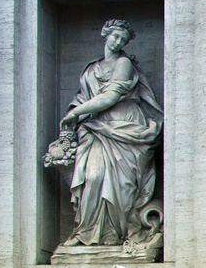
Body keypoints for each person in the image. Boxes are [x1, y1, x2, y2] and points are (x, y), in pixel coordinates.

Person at [58, 19, 163, 248]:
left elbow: (110, 97)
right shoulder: (91, 69)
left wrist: (76, 113)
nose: (118, 42)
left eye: (123, 40)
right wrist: (77, 114)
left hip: (124, 125)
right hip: (97, 128)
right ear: (106, 35)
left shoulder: (124, 63)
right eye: (115, 36)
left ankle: (113, 236)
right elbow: (84, 97)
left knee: (121, 187)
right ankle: (86, 232)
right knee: (93, 177)